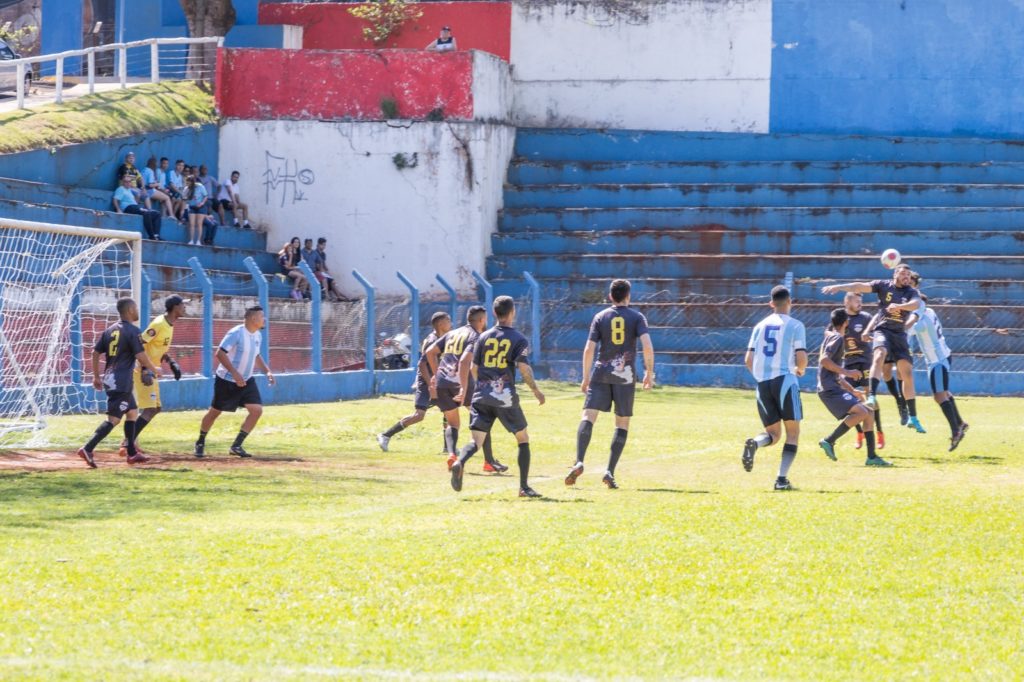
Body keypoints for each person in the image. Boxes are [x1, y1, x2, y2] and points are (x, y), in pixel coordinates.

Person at [450, 296, 545, 498]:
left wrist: (483, 386)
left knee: (476, 441)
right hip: (504, 397)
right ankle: (524, 487)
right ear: (513, 313)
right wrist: (535, 390)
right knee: (523, 438)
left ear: (494, 313)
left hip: (481, 396)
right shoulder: (518, 339)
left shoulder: (482, 337)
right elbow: (524, 367)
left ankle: (460, 462)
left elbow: (474, 368)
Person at [565, 278, 654, 490]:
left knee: (588, 416)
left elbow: (588, 349)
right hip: (625, 376)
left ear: (610, 296)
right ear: (628, 296)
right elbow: (647, 346)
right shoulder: (637, 317)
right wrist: (649, 372)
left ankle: (578, 460)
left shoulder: (600, 317)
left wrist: (586, 377)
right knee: (621, 423)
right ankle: (609, 471)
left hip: (601, 373)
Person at [822, 264, 926, 433]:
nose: (907, 277)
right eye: (904, 273)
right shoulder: (883, 285)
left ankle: (913, 417)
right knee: (879, 355)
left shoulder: (911, 292)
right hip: (883, 330)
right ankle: (871, 397)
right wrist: (839, 287)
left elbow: (915, 304)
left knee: (906, 372)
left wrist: (899, 307)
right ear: (895, 274)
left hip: (899, 334)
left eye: (909, 274)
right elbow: (859, 286)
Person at [76, 298, 161, 468]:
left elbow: (94, 352)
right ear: (130, 310)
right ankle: (87, 448)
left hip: (111, 379)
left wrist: (96, 376)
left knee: (132, 413)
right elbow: (140, 356)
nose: (137, 311)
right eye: (136, 308)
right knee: (114, 419)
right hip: (120, 381)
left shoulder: (110, 330)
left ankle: (131, 453)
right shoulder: (132, 331)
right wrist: (154, 368)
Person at [425, 306, 508, 474]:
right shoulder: (476, 336)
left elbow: (430, 352)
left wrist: (436, 374)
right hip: (461, 384)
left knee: (453, 422)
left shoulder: (453, 333)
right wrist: (463, 388)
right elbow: (464, 362)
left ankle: (451, 455)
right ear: (481, 320)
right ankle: (488, 461)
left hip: (442, 382)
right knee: (483, 419)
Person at [741, 285, 808, 491]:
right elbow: (802, 357)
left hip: (763, 383)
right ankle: (781, 479)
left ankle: (755, 443)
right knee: (792, 433)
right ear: (790, 302)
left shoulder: (759, 326)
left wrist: (761, 377)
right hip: (785, 380)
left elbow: (748, 359)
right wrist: (800, 370)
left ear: (771, 304)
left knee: (773, 434)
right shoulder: (796, 325)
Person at [194, 306, 275, 458]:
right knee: (215, 412)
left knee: (256, 410)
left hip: (247, 380)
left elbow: (257, 356)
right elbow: (220, 353)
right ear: (253, 319)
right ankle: (200, 441)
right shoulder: (236, 333)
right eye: (262, 316)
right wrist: (234, 373)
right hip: (226, 380)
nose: (265, 320)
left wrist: (267, 371)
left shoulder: (258, 335)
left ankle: (236, 446)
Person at [817, 308, 890, 466]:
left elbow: (832, 371)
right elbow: (824, 361)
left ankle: (871, 457)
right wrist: (847, 372)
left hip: (833, 386)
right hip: (829, 389)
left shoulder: (833, 336)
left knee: (869, 413)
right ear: (846, 323)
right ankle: (829, 440)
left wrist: (851, 390)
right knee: (862, 412)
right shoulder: (837, 338)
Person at [118, 295, 187, 457]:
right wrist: (143, 369)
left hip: (151, 370)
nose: (185, 308)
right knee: (149, 409)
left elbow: (158, 348)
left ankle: (128, 441)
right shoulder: (159, 324)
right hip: (144, 371)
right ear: (175, 307)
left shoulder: (169, 325)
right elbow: (140, 342)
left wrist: (171, 362)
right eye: (183, 305)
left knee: (155, 408)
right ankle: (128, 443)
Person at [377, 312, 453, 452]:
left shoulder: (443, 338)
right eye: (448, 320)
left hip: (437, 381)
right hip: (426, 382)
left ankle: (447, 447)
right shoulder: (432, 341)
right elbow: (422, 364)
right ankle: (385, 435)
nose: (451, 323)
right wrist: (431, 383)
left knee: (448, 411)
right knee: (419, 415)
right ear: (441, 324)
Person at [908, 295, 968, 451]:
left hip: (937, 361)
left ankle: (956, 431)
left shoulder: (921, 322)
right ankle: (960, 423)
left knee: (939, 396)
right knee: (944, 393)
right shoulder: (930, 311)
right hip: (942, 356)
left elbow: (905, 330)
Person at [842, 291, 886, 450]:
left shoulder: (866, 317)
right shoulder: (841, 318)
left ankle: (879, 431)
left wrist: (873, 337)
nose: (860, 304)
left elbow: (878, 331)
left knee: (870, 396)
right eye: (857, 301)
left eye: (861, 301)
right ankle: (859, 432)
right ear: (847, 302)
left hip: (866, 361)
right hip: (849, 363)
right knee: (849, 397)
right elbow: (828, 331)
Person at [113, 175, 162, 240]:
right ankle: (151, 236)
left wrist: (137, 196)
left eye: (129, 182)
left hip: (134, 207)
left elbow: (135, 202)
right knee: (146, 213)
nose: (128, 183)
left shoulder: (129, 190)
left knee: (157, 214)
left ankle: (156, 235)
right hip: (128, 207)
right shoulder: (120, 189)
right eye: (126, 182)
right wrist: (118, 210)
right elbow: (115, 200)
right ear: (122, 182)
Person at [184, 174, 208, 246]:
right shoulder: (186, 189)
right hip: (192, 207)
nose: (187, 184)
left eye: (189, 183)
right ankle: (191, 240)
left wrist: (202, 203)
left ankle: (198, 241)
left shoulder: (200, 186)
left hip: (201, 207)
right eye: (186, 182)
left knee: (199, 223)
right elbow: (185, 199)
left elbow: (206, 196)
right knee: (192, 224)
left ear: (192, 182)